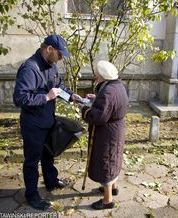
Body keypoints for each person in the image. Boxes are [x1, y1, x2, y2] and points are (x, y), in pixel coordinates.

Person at [13, 35, 80, 210]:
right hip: (33, 124)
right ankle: (32, 194)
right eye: (59, 54)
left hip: (47, 120)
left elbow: (59, 87)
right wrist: (45, 97)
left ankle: (51, 181)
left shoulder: (51, 66)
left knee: (48, 154)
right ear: (49, 49)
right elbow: (19, 98)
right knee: (32, 161)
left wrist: (72, 96)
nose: (60, 59)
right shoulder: (30, 68)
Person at [78, 60, 129, 210]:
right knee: (114, 158)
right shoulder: (117, 85)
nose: (96, 76)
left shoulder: (108, 91)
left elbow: (97, 117)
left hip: (107, 133)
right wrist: (96, 99)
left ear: (103, 75)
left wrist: (83, 109)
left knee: (106, 161)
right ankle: (113, 187)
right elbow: (112, 104)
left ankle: (108, 200)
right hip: (116, 130)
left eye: (97, 74)